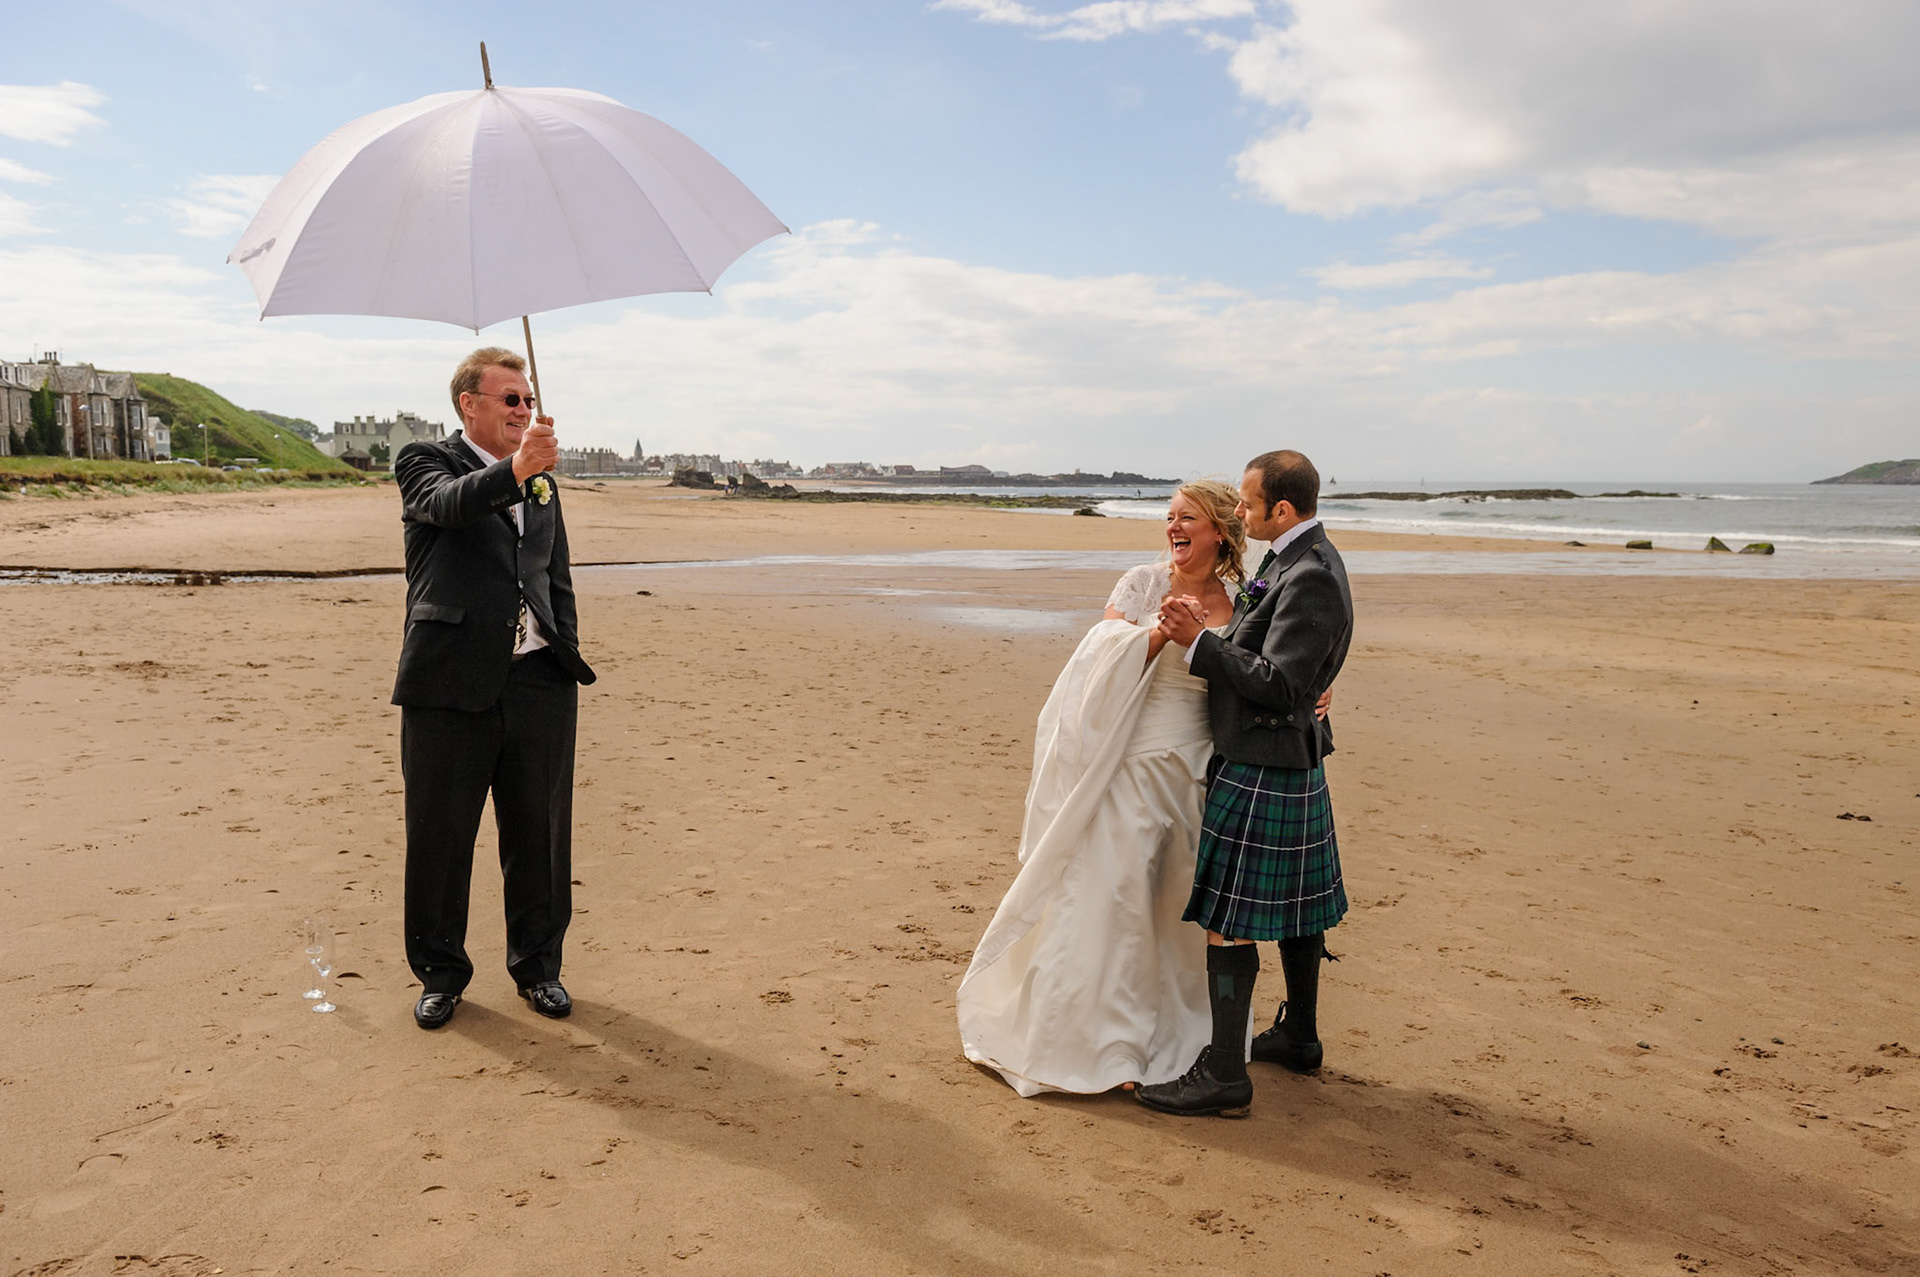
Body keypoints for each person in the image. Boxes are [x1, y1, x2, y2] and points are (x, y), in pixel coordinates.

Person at [956, 481, 1249, 1096]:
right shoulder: (1142, 584)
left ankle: (1185, 1042)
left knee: (1178, 907)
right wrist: (1160, 636)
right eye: (1168, 517)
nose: (1173, 527)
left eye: (1187, 517)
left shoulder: (1244, 600)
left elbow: (1258, 672)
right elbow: (1095, 658)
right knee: (1117, 893)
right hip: (1133, 763)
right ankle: (1110, 1047)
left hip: (1200, 771)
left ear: (1219, 530)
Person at [1135, 449, 1353, 1118]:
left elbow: (1278, 681)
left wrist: (1201, 641)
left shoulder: (1309, 570)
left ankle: (1226, 1073)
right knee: (1298, 905)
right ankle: (1300, 1035)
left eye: (1249, 505)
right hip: (1284, 752)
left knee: (1229, 921)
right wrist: (1315, 681)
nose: (1240, 512)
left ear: (1281, 510)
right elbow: (1292, 660)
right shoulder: (1289, 557)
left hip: (1265, 756)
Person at [392, 347, 596, 1030]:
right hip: (449, 682)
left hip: (539, 683)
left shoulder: (542, 481)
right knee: (441, 837)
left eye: (528, 399)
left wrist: (565, 648)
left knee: (539, 836)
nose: (523, 409)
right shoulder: (423, 461)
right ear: (467, 404)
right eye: (509, 398)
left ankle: (539, 969)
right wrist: (516, 470)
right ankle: (441, 974)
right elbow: (447, 508)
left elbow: (553, 572)